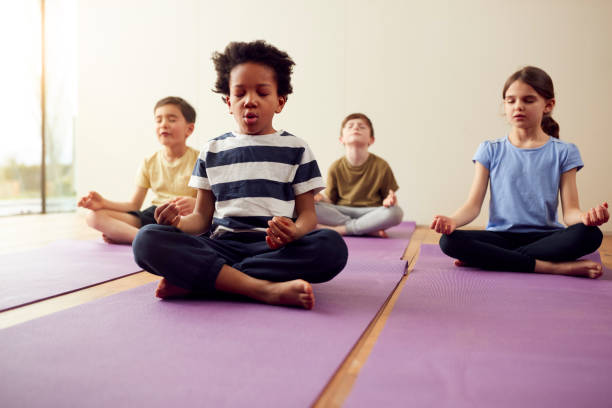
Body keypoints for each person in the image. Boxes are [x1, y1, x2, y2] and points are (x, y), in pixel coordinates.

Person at [132, 40, 348, 309]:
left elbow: (308, 216)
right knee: (147, 239)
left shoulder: (296, 148)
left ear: (280, 102)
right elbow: (201, 219)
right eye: (240, 93)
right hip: (222, 245)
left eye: (262, 92)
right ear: (228, 102)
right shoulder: (212, 151)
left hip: (274, 250)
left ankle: (211, 280)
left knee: (331, 247)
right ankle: (263, 289)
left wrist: (295, 231)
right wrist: (177, 224)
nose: (250, 101)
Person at [431, 66, 609, 278]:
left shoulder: (565, 151)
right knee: (449, 241)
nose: (518, 106)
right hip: (500, 236)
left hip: (546, 238)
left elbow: (570, 212)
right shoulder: (490, 149)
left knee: (590, 235)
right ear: (504, 104)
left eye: (528, 100)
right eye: (511, 100)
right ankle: (551, 267)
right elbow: (472, 206)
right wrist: (452, 221)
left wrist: (586, 218)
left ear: (548, 105)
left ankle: (494, 259)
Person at [77, 97, 199, 244]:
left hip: (185, 218)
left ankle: (136, 238)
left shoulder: (200, 159)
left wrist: (195, 203)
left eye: (171, 119)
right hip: (154, 215)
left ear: (189, 129)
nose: (164, 124)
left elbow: (211, 205)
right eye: (158, 120)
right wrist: (103, 203)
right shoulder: (149, 161)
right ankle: (146, 239)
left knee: (197, 228)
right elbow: (133, 205)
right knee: (93, 217)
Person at [315, 113, 403, 237]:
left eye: (362, 127)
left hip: (371, 212)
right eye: (350, 126)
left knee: (396, 212)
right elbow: (330, 201)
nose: (356, 128)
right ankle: (366, 229)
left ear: (371, 139)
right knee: (310, 207)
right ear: (342, 139)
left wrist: (390, 201)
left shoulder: (382, 165)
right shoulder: (335, 167)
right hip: (342, 211)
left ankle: (342, 230)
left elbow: (389, 200)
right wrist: (318, 197)